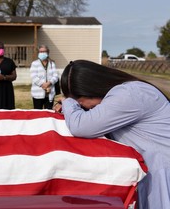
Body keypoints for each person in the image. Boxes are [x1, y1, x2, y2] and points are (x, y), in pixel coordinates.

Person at [53, 60, 170, 209]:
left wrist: (68, 102)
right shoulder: (124, 91)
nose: (81, 107)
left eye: (80, 102)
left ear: (92, 89)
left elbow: (81, 126)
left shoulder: (129, 94)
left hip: (163, 173)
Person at [30, 45, 59, 109]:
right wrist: (43, 85)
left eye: (44, 51)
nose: (42, 53)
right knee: (37, 113)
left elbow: (56, 76)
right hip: (37, 93)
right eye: (40, 51)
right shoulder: (34, 63)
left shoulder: (52, 64)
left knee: (48, 113)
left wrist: (49, 83)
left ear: (48, 52)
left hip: (50, 93)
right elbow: (34, 76)